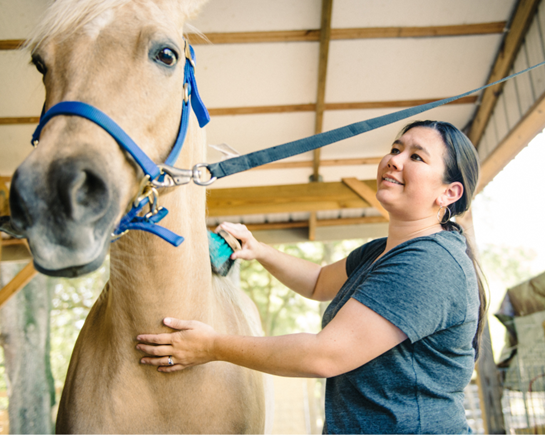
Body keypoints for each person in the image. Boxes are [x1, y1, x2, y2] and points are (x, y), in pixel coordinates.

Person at [136, 120, 487, 434]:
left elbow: (324, 356)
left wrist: (211, 346)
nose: (394, 159)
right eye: (396, 149)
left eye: (416, 157)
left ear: (449, 193)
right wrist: (259, 250)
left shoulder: (430, 263)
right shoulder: (383, 251)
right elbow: (320, 281)